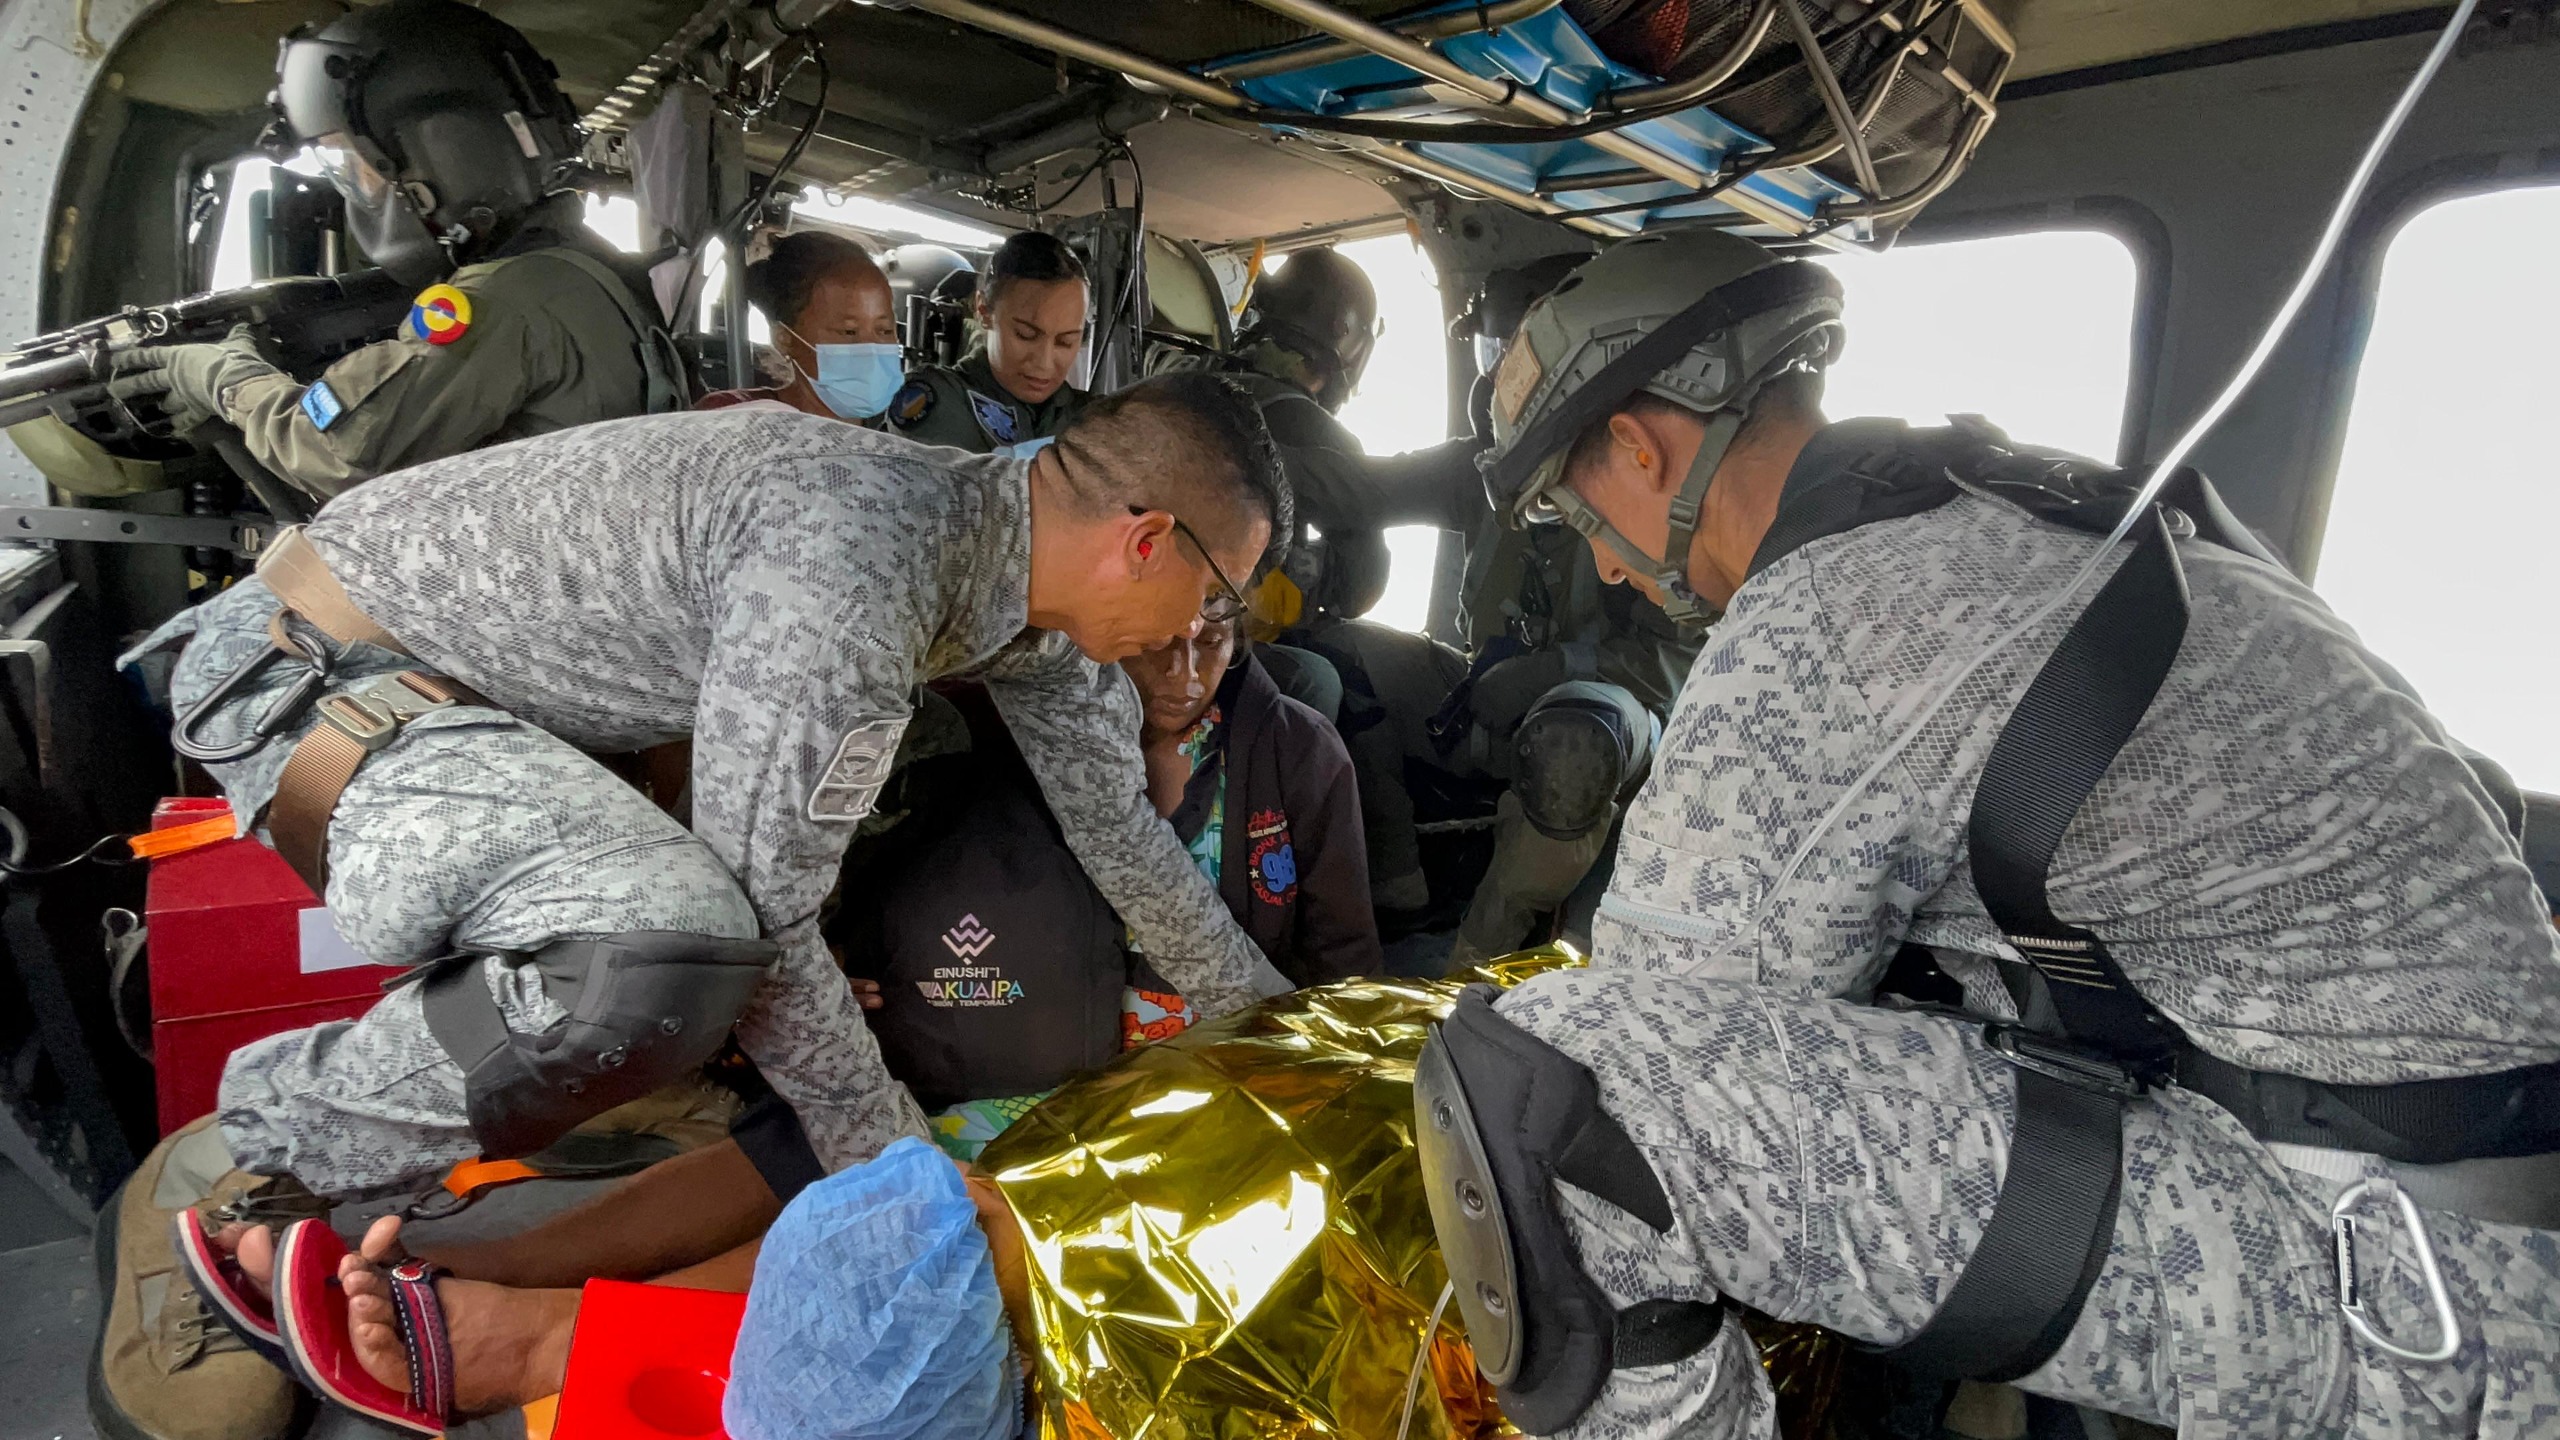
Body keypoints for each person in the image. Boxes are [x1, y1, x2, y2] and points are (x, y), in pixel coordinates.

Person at [1412, 229, 2560, 1436]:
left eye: (1580, 515)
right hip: (2466, 1186)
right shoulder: (2038, 505)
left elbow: (1657, 1052)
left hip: (2393, 1281)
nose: (1600, 560)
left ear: (1640, 451)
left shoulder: (1828, 618)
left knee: (1549, 1098)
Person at [101, 376, 1291, 1439]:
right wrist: (911, 1194)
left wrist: (1290, 1040)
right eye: (1217, 592)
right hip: (321, 679)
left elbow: (1126, 844)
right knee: (666, 947)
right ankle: (243, 1154)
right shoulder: (861, 561)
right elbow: (766, 926)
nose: (1202, 634)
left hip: (483, 714)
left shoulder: (1023, 613)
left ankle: (365, 1175)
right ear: (1145, 542)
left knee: (698, 937)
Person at [103, 0, 683, 502]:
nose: (353, 188)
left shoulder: (503, 301)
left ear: (438, 160)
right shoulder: (586, 267)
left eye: (352, 166)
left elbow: (335, 450)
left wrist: (222, 378)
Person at [1125, 619, 1382, 986]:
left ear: (1237, 638)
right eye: (1158, 640)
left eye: (1212, 641)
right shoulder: (1059, 747)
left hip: (1248, 1031)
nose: (1186, 673)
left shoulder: (1302, 748)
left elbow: (1343, 950)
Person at [888, 230, 1088, 455]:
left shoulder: (1093, 414)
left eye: (1066, 342)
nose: (1044, 363)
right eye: (1025, 335)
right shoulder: (937, 397)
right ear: (984, 310)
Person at [700, 231, 903, 423]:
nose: (872, 349)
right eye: (849, 332)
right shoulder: (731, 418)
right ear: (785, 339)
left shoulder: (902, 430)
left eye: (884, 331)